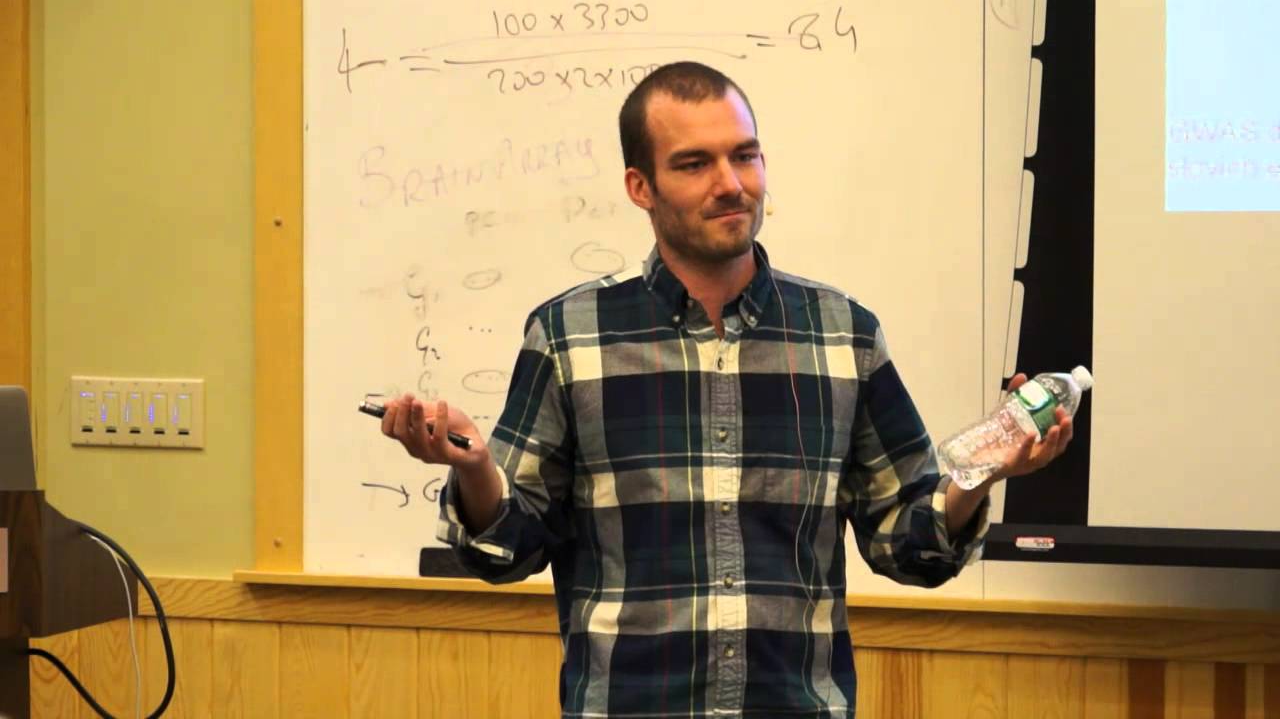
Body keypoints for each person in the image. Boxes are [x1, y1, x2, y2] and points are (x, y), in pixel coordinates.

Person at [380, 61, 1074, 718]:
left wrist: (982, 473)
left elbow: (907, 542)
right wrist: (477, 469)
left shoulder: (843, 334)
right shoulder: (569, 336)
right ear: (640, 187)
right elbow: (508, 548)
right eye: (694, 164)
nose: (731, 184)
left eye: (745, 156)